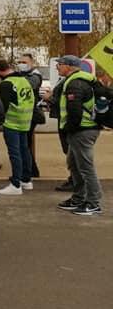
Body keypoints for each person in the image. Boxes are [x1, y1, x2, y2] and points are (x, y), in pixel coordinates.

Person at [54, 55, 103, 216]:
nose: (57, 67)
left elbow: (75, 112)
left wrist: (69, 128)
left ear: (69, 66)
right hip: (81, 129)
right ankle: (79, 197)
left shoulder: (75, 83)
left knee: (85, 167)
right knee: (74, 164)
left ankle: (93, 202)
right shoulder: (82, 80)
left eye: (60, 64)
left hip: (82, 130)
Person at [0, 59, 35, 196]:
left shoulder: (6, 83)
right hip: (25, 120)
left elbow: (4, 106)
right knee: (25, 149)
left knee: (14, 153)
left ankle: (16, 183)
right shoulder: (24, 80)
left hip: (12, 121)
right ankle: (26, 179)